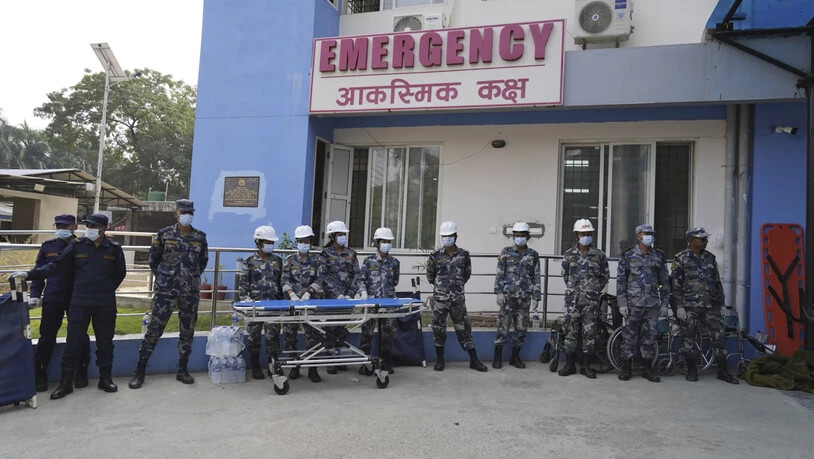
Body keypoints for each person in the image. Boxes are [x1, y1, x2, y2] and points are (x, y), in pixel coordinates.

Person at [13, 214, 126, 400]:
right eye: (87, 225)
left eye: (93, 226)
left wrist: (104, 288)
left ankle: (105, 379)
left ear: (103, 228)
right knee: (73, 343)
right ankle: (65, 383)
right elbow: (55, 266)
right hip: (79, 302)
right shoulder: (77, 245)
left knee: (105, 343)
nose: (88, 229)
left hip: (104, 302)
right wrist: (29, 274)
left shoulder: (113, 248)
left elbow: (120, 273)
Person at [129, 199, 208, 389]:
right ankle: (140, 370)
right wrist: (165, 278)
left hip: (189, 291)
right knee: (154, 328)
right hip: (166, 291)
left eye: (190, 212)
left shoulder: (200, 237)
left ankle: (183, 369)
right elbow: (153, 260)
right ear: (175, 213)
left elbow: (202, 262)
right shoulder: (164, 234)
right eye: (183, 212)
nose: (187, 215)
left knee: (187, 330)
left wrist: (189, 277)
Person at [29, 214, 91, 392]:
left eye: (66, 225)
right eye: (59, 226)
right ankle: (40, 373)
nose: (62, 228)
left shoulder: (83, 246)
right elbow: (40, 272)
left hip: (76, 297)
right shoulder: (48, 246)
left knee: (79, 335)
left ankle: (82, 371)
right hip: (53, 296)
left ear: (74, 226)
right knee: (47, 336)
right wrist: (35, 295)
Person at [670, 227, 739, 384]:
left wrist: (722, 303)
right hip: (690, 306)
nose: (705, 241)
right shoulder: (681, 258)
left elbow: (717, 283)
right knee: (689, 338)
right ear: (691, 241)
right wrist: (679, 306)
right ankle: (692, 371)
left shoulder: (710, 258)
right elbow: (675, 285)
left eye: (705, 239)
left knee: (719, 337)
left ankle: (722, 371)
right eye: (701, 239)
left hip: (710, 305)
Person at [427, 221, 487, 372]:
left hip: (457, 300)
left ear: (456, 236)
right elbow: (430, 276)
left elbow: (467, 274)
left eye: (450, 235)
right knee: (438, 328)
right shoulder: (435, 255)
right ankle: (440, 360)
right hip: (440, 299)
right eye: (444, 236)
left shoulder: (464, 255)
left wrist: (456, 287)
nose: (447, 238)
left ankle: (474, 360)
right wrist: (442, 288)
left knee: (464, 328)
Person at [616, 224, 668, 383]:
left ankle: (647, 369)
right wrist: (622, 303)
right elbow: (621, 281)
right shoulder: (628, 255)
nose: (650, 236)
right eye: (647, 233)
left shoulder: (658, 256)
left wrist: (664, 303)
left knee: (649, 337)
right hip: (633, 303)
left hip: (652, 304)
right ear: (639, 236)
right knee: (629, 336)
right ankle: (626, 368)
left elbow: (664, 282)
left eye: (651, 233)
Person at [559, 219, 609, 379]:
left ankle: (586, 366)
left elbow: (604, 277)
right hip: (572, 301)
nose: (585, 236)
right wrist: (575, 290)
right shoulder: (569, 254)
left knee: (590, 333)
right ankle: (569, 364)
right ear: (577, 235)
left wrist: (593, 290)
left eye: (588, 233)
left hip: (591, 302)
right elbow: (565, 275)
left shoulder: (599, 255)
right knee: (570, 331)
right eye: (582, 234)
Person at [317, 220, 366, 374]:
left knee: (342, 328)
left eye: (344, 234)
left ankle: (339, 359)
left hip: (347, 298)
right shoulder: (325, 254)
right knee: (331, 328)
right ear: (332, 236)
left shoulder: (351, 253)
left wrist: (350, 294)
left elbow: (356, 274)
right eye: (340, 234)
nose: (343, 237)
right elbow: (323, 276)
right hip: (331, 299)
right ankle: (330, 360)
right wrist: (336, 294)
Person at [493, 222, 541, 370]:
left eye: (522, 235)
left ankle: (515, 357)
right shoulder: (506, 252)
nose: (519, 238)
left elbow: (536, 276)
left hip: (524, 298)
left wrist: (536, 296)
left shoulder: (533, 255)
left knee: (521, 329)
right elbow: (500, 273)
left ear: (528, 236)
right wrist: (498, 292)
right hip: (508, 297)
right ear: (513, 236)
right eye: (517, 235)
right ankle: (497, 357)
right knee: (503, 327)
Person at [239, 225, 284, 380]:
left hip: (273, 306)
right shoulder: (249, 262)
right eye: (267, 242)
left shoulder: (277, 261)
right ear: (258, 242)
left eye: (272, 242)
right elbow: (243, 285)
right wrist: (247, 303)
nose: (270, 245)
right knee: (254, 338)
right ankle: (255, 366)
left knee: (273, 338)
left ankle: (273, 366)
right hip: (255, 306)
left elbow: (282, 282)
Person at [281, 225, 324, 383]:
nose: (304, 244)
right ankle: (294, 367)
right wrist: (291, 293)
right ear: (297, 242)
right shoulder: (289, 260)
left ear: (310, 242)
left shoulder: (316, 261)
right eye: (301, 241)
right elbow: (284, 280)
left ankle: (313, 369)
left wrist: (310, 292)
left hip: (310, 304)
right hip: (292, 304)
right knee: (290, 336)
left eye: (306, 241)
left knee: (313, 337)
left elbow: (320, 279)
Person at [359, 227, 400, 375]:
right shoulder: (369, 261)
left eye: (389, 242)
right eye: (384, 241)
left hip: (388, 303)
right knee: (367, 333)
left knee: (389, 333)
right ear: (377, 243)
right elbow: (361, 280)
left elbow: (395, 281)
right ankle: (365, 363)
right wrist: (363, 292)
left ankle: (386, 363)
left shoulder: (394, 262)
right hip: (371, 303)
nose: (386, 244)